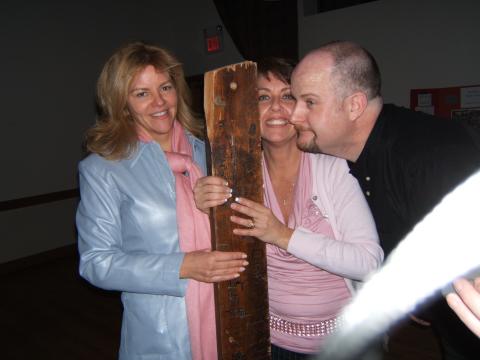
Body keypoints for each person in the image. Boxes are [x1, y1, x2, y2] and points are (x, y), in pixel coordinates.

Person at [289, 40, 480, 359]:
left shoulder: (432, 153)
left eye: (309, 102)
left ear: (354, 106)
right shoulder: (347, 158)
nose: (294, 115)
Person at [194, 57, 384, 359]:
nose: (277, 108)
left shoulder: (332, 168)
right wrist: (204, 209)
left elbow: (369, 262)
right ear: (248, 108)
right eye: (262, 97)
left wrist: (281, 234)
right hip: (272, 340)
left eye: (288, 96)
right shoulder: (238, 175)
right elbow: (221, 255)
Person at [76, 42, 248, 360]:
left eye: (165, 87)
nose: (159, 102)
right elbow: (96, 263)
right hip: (161, 331)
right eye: (141, 93)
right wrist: (183, 265)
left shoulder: (211, 151)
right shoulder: (102, 168)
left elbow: (245, 225)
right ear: (122, 103)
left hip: (231, 313)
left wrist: (221, 206)